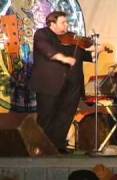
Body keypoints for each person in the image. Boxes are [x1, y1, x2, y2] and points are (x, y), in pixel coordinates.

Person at [29, 11, 104, 153]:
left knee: (65, 115)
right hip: (50, 84)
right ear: (52, 23)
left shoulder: (70, 38)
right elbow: (47, 50)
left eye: (67, 22)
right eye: (63, 22)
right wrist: (63, 58)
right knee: (47, 116)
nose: (66, 25)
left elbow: (85, 56)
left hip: (72, 85)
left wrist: (97, 51)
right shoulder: (42, 34)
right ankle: (41, 147)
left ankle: (57, 145)